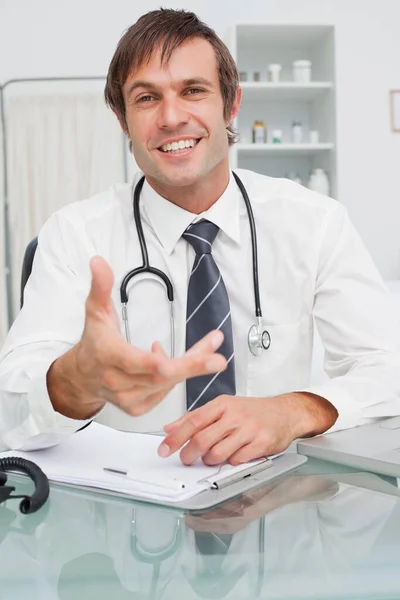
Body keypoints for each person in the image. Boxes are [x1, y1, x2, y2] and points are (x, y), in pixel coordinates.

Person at [0, 9, 399, 462]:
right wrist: (74, 380)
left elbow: (387, 368)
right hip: (129, 512)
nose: (171, 117)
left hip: (278, 506)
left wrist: (295, 410)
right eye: (146, 98)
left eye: (193, 90)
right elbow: (9, 413)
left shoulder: (315, 223)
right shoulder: (74, 235)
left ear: (231, 104)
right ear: (122, 119)